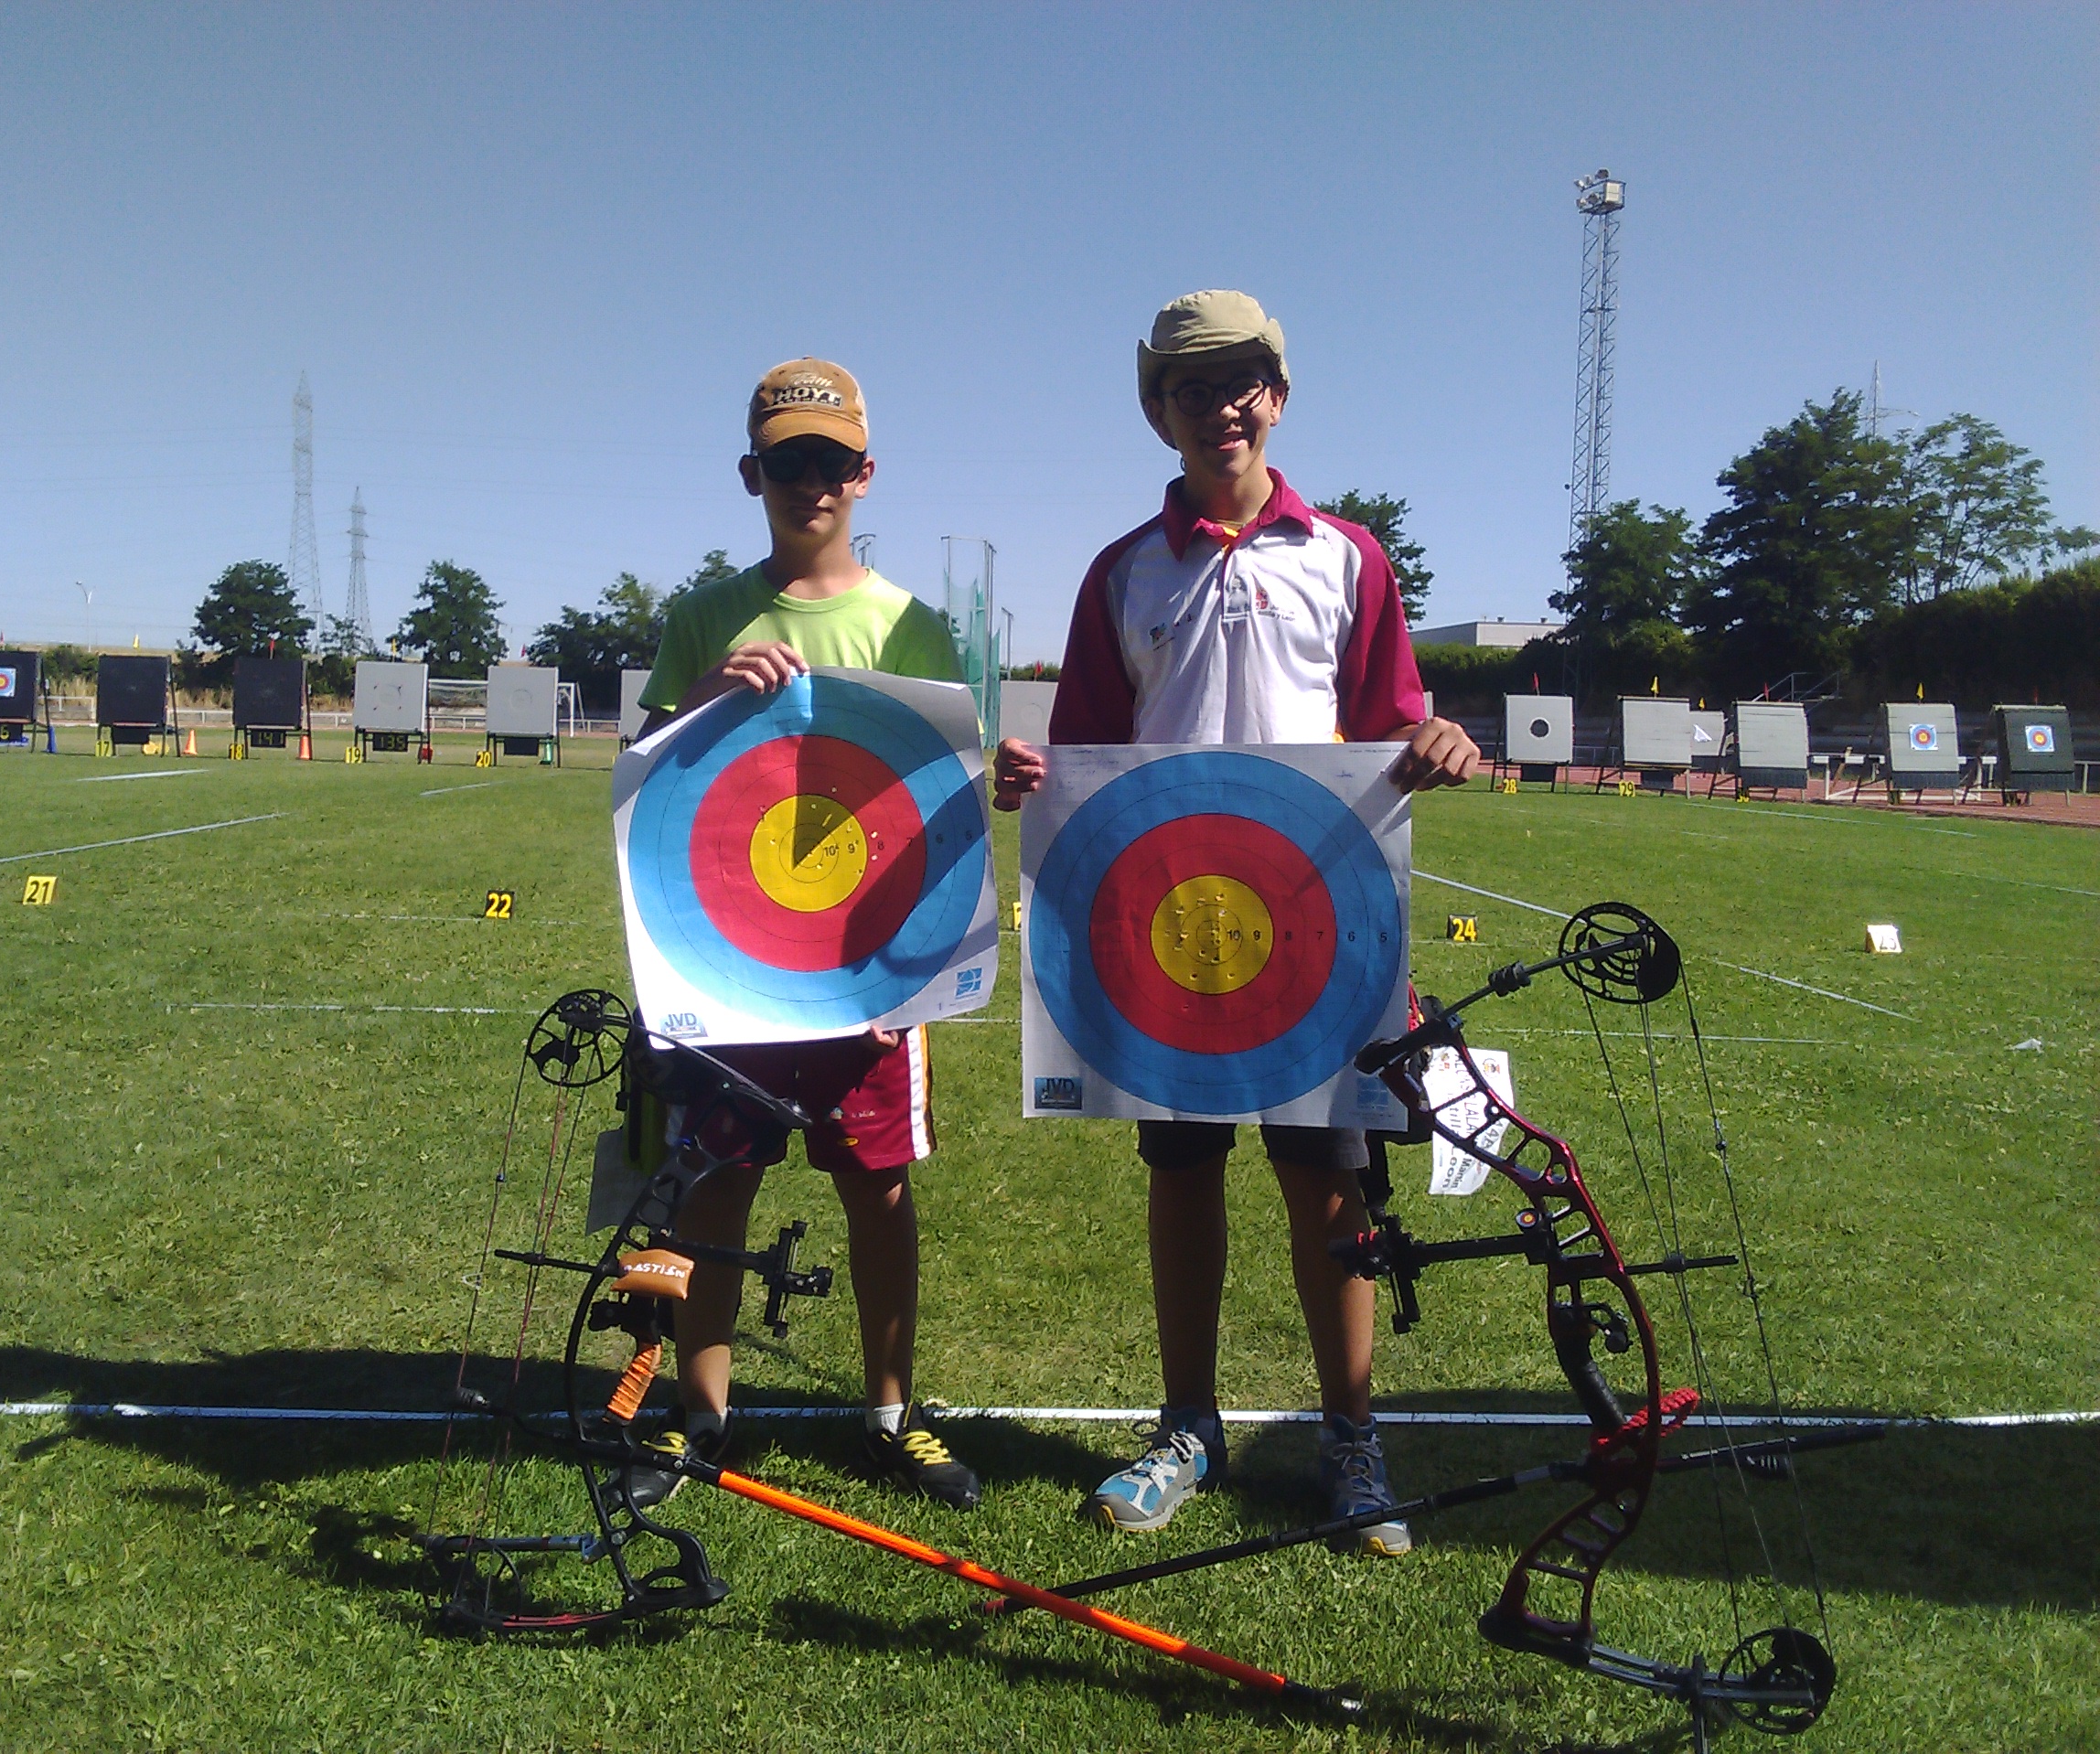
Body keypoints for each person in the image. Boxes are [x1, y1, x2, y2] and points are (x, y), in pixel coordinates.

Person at [992, 290, 1479, 1549]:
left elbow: (1388, 722)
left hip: (1321, 922)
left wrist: (1434, 740)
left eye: (1246, 379)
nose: (1225, 405)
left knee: (1329, 1183)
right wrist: (1027, 781)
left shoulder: (1351, 556)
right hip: (1175, 930)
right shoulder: (1121, 573)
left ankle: (1353, 1443)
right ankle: (1189, 1427)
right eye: (1196, 385)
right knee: (1184, 1172)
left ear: (1280, 392)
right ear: (1159, 409)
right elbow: (1088, 755)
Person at [617, 358, 980, 1513]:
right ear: (750, 474)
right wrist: (700, 698)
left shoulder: (909, 623)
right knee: (713, 1181)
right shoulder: (701, 616)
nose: (809, 481)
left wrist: (999, 780)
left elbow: (940, 793)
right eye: (786, 463)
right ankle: (698, 1416)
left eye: (829, 462)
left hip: (867, 966)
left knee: (877, 1187)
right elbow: (649, 782)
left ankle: (890, 1414)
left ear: (865, 475)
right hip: (728, 962)